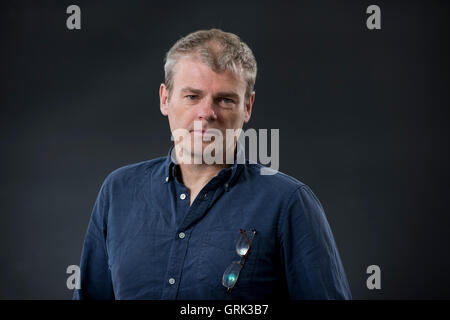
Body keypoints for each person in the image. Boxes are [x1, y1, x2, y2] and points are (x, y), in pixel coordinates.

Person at [73, 28, 352, 300]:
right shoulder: (118, 191)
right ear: (165, 99)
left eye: (225, 99)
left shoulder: (288, 203)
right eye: (192, 96)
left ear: (247, 107)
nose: (207, 113)